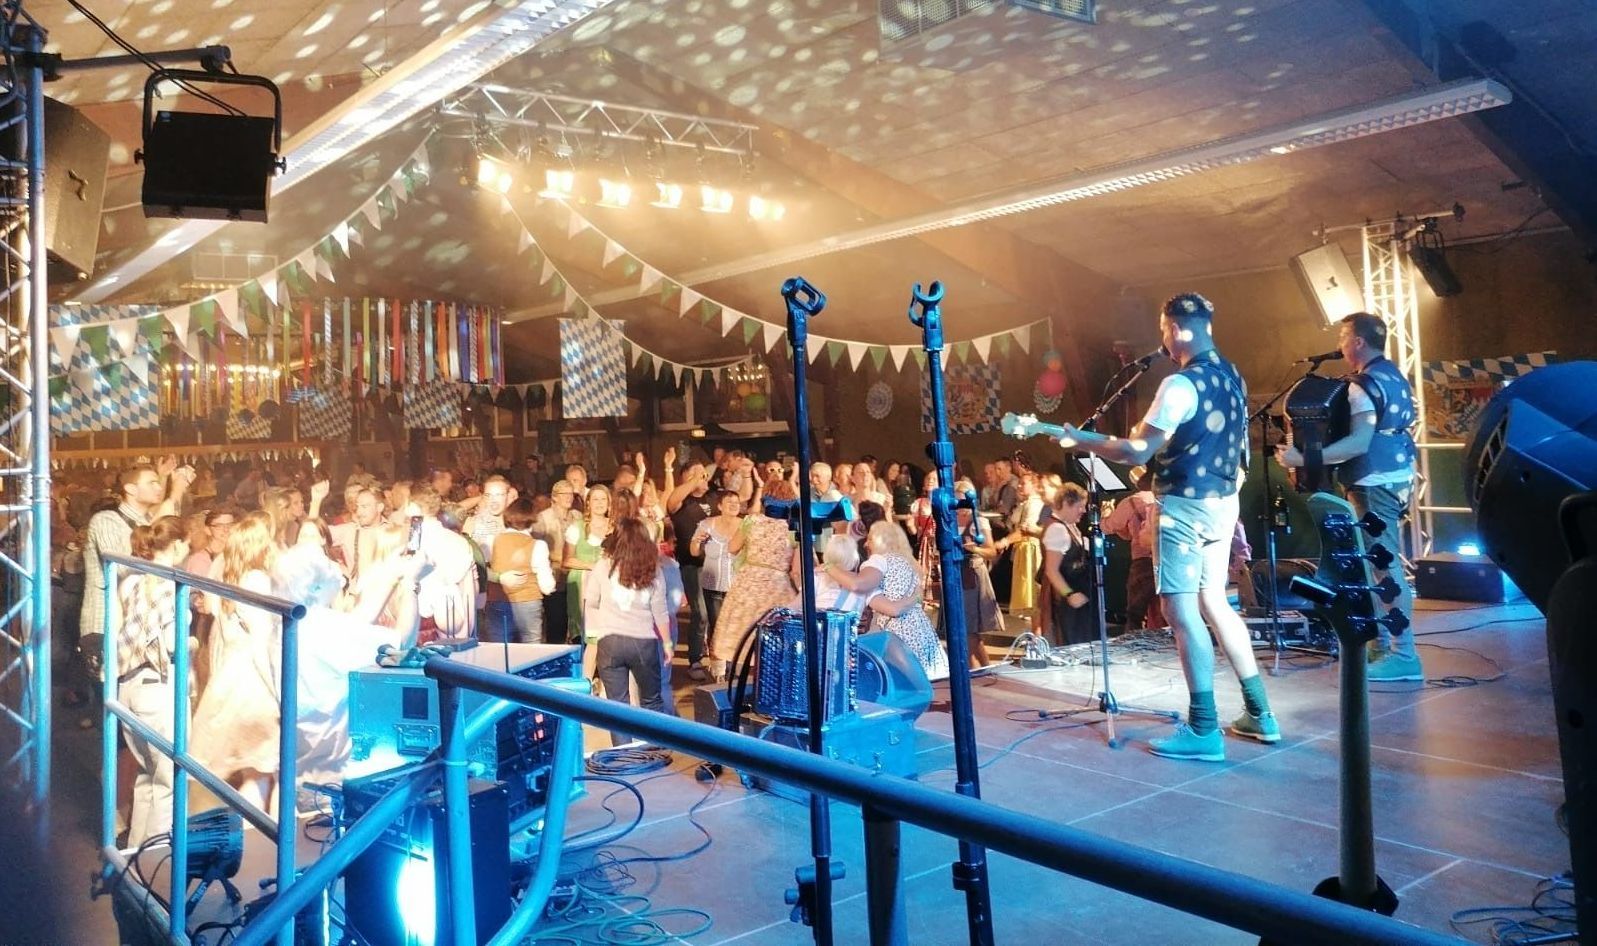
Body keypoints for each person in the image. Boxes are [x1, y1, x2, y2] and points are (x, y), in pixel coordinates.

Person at [1052, 292, 1278, 762]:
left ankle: (1203, 729)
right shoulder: (1232, 375)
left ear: (1174, 329)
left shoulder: (1180, 385)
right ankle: (1260, 712)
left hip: (1184, 509)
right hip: (1222, 503)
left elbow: (1136, 450)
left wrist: (1081, 440)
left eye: (1163, 331)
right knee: (1215, 602)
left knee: (1181, 613)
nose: (1163, 341)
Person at [1278, 311, 1420, 682]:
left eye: (1343, 337)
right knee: (1376, 562)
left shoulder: (1361, 386)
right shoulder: (1394, 375)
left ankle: (1404, 655)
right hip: (1398, 474)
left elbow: (1358, 443)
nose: (1339, 345)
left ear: (1358, 341)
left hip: (1373, 480)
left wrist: (1301, 459)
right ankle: (1381, 644)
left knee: (1383, 565)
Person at [191, 511, 281, 809]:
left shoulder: (231, 576)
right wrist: (278, 691)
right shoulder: (257, 579)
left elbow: (213, 614)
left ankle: (246, 830)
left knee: (252, 772)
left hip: (229, 677)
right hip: (253, 682)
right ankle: (263, 833)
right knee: (265, 771)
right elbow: (260, 640)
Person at [116, 516, 188, 847]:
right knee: (167, 781)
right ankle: (157, 858)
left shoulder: (132, 580)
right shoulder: (171, 586)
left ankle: (135, 855)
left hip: (128, 686)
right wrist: (192, 643)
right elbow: (171, 643)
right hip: (156, 688)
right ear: (177, 545)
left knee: (146, 776)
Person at [584, 518, 673, 745]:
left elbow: (591, 600)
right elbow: (660, 610)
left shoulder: (603, 566)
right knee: (651, 702)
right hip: (643, 642)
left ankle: (623, 754)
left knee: (617, 707)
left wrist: (595, 629)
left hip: (610, 641)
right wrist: (667, 643)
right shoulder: (653, 569)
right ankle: (654, 750)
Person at [711, 480, 799, 679]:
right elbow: (797, 570)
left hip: (748, 582)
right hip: (777, 586)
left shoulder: (751, 521)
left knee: (743, 636)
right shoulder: (793, 528)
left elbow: (733, 547)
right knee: (774, 639)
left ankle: (742, 684)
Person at [409, 482, 479, 644]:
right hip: (451, 622)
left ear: (413, 507)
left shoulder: (412, 538)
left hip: (423, 622)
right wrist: (465, 635)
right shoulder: (458, 541)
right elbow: (469, 590)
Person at [487, 498, 557, 643]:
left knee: (500, 647)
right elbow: (547, 586)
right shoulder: (538, 545)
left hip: (497, 599)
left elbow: (482, 569)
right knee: (531, 646)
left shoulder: (492, 540)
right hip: (527, 600)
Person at [1102, 468, 1161, 630]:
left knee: (1135, 612)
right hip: (1167, 560)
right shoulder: (1165, 498)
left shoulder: (1132, 502)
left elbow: (1108, 527)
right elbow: (1127, 534)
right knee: (1163, 608)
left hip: (1143, 562)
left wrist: (1106, 513)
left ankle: (1135, 642)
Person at [689, 489, 741, 670]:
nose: (734, 506)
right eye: (729, 502)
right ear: (720, 506)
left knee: (733, 626)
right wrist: (697, 541)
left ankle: (731, 665)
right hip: (713, 584)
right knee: (717, 625)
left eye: (736, 503)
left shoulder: (745, 526)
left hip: (736, 586)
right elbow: (694, 552)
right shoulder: (707, 525)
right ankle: (718, 666)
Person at [1041, 482, 1095, 647]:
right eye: (1080, 506)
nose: (1084, 511)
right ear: (1066, 504)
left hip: (1079, 597)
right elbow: (1051, 570)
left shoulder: (1069, 526)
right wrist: (1069, 594)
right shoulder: (1057, 529)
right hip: (1067, 603)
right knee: (1071, 643)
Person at [564, 485, 613, 657]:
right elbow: (567, 560)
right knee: (587, 630)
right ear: (588, 503)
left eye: (603, 499)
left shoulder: (615, 527)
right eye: (595, 499)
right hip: (583, 583)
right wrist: (593, 566)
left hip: (609, 584)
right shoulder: (577, 527)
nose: (599, 503)